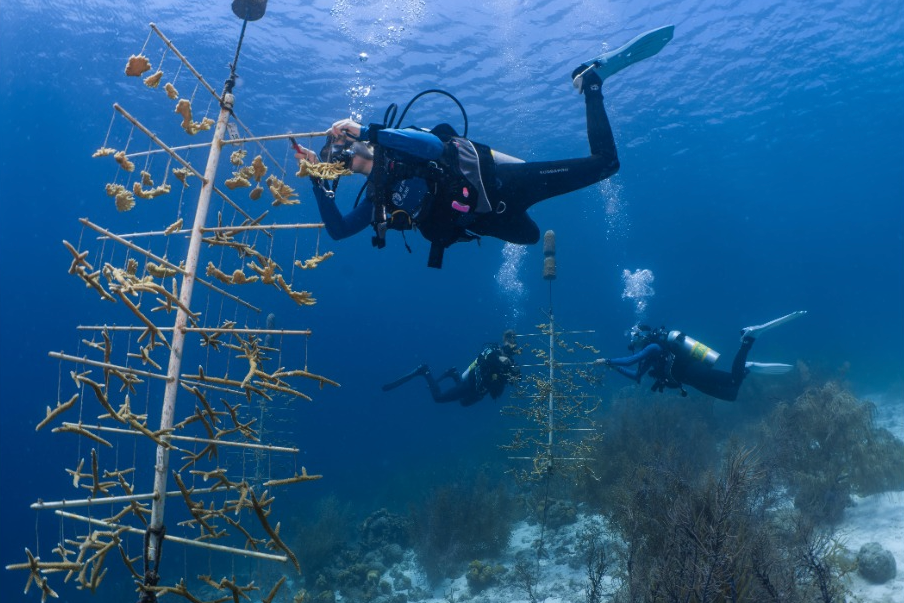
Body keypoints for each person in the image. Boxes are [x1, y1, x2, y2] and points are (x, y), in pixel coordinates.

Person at [296, 26, 674, 268]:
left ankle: (591, 81)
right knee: (529, 237)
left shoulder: (397, 147)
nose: (345, 157)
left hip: (504, 184)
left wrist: (369, 130)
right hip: (486, 216)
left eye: (344, 148)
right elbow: (340, 230)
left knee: (605, 165)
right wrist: (316, 181)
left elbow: (430, 145)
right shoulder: (375, 197)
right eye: (338, 160)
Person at [594, 311, 807, 401]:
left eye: (636, 337)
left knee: (733, 380)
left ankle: (748, 339)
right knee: (730, 395)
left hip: (692, 371)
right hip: (690, 380)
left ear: (642, 335)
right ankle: (746, 367)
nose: (634, 342)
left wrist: (608, 361)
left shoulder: (653, 348)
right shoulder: (650, 358)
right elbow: (635, 376)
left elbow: (631, 360)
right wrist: (613, 367)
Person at [382, 330, 519, 406]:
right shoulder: (493, 349)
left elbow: (514, 381)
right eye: (509, 341)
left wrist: (515, 373)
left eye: (513, 344)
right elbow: (487, 357)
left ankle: (454, 374)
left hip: (479, 392)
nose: (511, 346)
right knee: (439, 398)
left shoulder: (510, 362)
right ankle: (425, 371)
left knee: (463, 403)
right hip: (471, 384)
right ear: (504, 341)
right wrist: (499, 358)